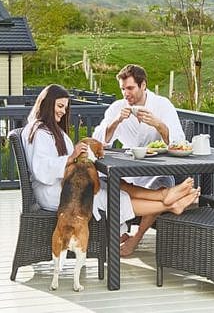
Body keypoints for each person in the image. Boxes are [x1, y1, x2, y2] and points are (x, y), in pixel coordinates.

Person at [21, 84, 199, 252]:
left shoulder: (52, 131)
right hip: (56, 193)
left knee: (117, 185)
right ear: (46, 104)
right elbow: (41, 169)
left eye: (65, 107)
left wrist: (80, 157)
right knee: (115, 197)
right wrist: (71, 157)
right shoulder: (39, 133)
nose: (62, 111)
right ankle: (170, 205)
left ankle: (164, 196)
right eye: (59, 106)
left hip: (67, 185)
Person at [92, 64, 187, 256]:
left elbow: (179, 141)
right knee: (107, 183)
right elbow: (98, 141)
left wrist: (159, 125)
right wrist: (117, 121)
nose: (125, 94)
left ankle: (137, 237)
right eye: (122, 89)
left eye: (130, 88)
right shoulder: (118, 108)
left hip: (156, 170)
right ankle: (120, 231)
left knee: (162, 186)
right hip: (127, 173)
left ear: (143, 85)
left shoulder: (162, 105)